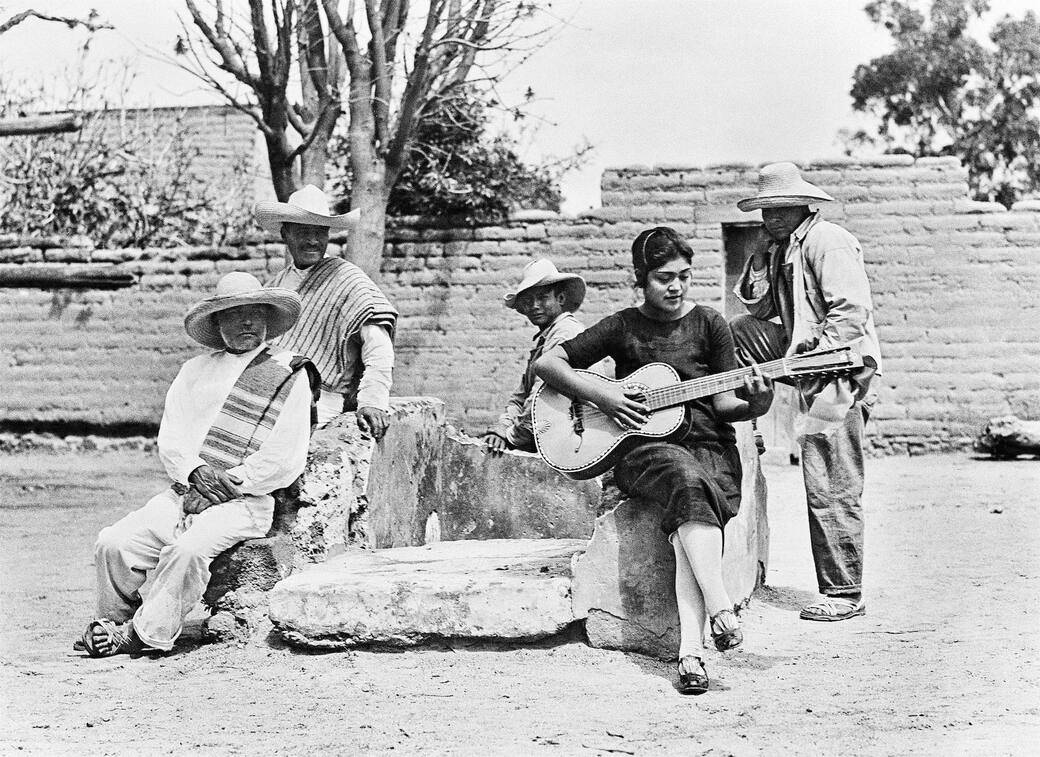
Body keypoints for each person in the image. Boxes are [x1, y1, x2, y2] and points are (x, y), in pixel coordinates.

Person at [535, 227, 773, 695]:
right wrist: (603, 395)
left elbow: (725, 404)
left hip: (710, 446)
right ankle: (720, 608)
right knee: (686, 481)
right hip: (644, 449)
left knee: (694, 498)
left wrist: (757, 407)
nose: (677, 287)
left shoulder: (709, 323)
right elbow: (550, 364)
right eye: (664, 277)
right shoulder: (623, 326)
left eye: (685, 276)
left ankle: (690, 656)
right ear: (639, 279)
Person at [80, 272, 318, 657]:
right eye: (235, 314)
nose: (246, 323)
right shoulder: (194, 372)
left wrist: (221, 487)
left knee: (187, 551)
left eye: (255, 313)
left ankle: (143, 634)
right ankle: (112, 619)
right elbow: (172, 440)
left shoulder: (289, 373)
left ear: (267, 319)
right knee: (114, 542)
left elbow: (283, 458)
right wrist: (195, 474)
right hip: (184, 492)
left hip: (246, 502)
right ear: (217, 323)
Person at [730, 161, 882, 623]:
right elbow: (759, 308)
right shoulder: (781, 249)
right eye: (766, 211)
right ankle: (742, 421)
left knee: (829, 478)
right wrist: (759, 258)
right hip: (807, 361)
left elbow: (850, 312)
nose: (772, 218)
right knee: (736, 331)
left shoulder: (826, 240)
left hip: (839, 371)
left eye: (782, 209)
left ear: (804, 205)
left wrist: (819, 361)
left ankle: (843, 592)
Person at [256, 185, 398, 436]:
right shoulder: (274, 287)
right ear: (285, 233)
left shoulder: (348, 279)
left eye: (320, 232)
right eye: (302, 231)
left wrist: (372, 402)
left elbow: (379, 348)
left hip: (320, 401)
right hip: (266, 397)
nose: (312, 240)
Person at [481, 259, 586, 454]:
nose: (535, 306)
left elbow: (541, 397)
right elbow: (519, 398)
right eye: (528, 301)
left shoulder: (566, 332)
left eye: (543, 298)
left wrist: (510, 435)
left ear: (560, 299)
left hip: (577, 438)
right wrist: (502, 427)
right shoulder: (545, 339)